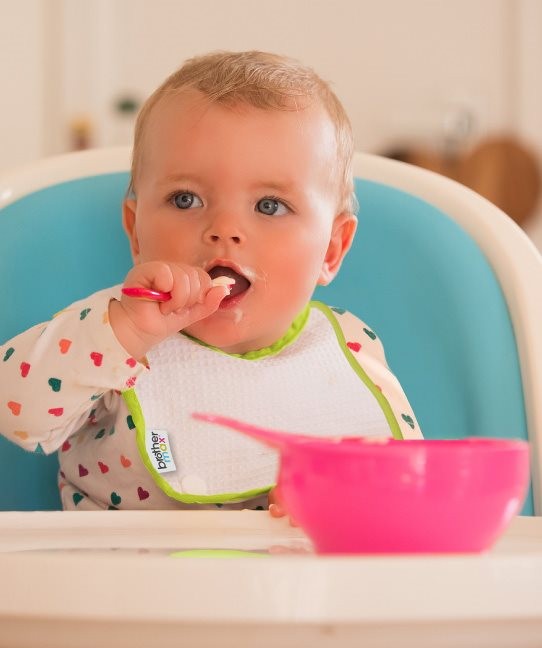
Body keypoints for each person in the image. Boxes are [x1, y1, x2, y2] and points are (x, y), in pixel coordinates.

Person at [0, 51, 422, 512]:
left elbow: (413, 488)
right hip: (129, 581)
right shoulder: (113, 333)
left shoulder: (350, 349)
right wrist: (124, 331)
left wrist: (350, 497)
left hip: (300, 581)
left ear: (332, 250)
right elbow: (15, 412)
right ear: (135, 230)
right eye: (186, 199)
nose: (224, 228)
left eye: (270, 206)